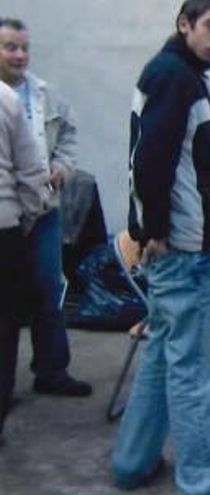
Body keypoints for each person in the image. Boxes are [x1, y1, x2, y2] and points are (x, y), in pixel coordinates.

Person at [110, 2, 210, 493]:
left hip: (180, 247)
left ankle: (131, 464)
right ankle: (204, 481)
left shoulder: (177, 73)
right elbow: (149, 161)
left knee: (165, 354)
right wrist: (156, 230)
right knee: (190, 370)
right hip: (182, 250)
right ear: (184, 24)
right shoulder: (174, 77)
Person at [0, 17, 90, 396]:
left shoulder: (43, 94)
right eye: (10, 47)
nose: (20, 55)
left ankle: (51, 370)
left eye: (24, 47)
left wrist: (62, 166)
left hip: (42, 209)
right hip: (7, 215)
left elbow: (69, 135)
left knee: (47, 289)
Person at [0, 80, 50, 444]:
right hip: (5, 228)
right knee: (3, 330)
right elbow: (32, 171)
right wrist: (27, 217)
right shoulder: (7, 98)